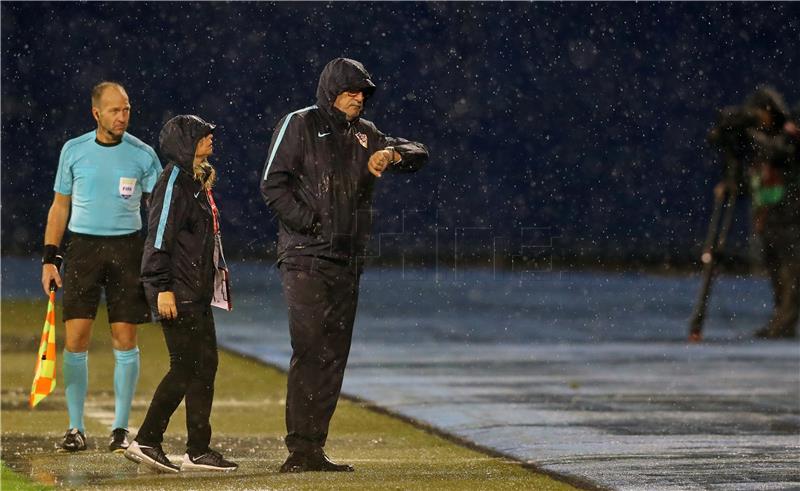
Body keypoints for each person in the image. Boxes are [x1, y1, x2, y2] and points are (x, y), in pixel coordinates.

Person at [260, 57, 429, 473]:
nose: (359, 98)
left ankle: (314, 449)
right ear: (331, 90)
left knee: (334, 353)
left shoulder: (367, 135)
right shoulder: (297, 124)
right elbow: (272, 184)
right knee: (310, 346)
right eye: (352, 90)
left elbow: (420, 153)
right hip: (304, 256)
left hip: (347, 260)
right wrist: (312, 224)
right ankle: (300, 449)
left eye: (364, 93)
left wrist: (390, 154)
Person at [41, 81, 162, 453]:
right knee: (76, 340)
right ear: (96, 114)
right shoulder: (74, 151)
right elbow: (60, 206)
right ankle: (75, 428)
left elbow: (160, 211)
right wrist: (49, 258)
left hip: (128, 252)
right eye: (114, 110)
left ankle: (121, 429)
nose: (122, 116)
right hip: (82, 251)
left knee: (125, 340)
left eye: (126, 109)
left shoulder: (143, 155)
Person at [124, 115, 237, 473]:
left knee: (205, 365)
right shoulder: (173, 180)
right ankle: (146, 440)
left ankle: (198, 449)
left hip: (195, 292)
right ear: (184, 142)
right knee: (185, 366)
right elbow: (158, 238)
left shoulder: (193, 181)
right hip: (178, 291)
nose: (210, 138)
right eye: (202, 135)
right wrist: (161, 289)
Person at [744, 88, 800, 339]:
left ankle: (784, 323)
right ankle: (780, 319)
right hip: (769, 217)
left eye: (761, 114)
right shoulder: (758, 142)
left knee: (793, 272)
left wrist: (754, 138)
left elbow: (780, 154)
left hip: (792, 217)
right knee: (777, 271)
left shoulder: (788, 135)